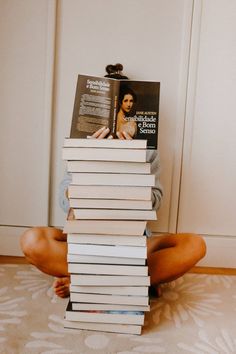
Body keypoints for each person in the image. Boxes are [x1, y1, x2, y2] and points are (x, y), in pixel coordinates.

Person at [20, 64, 206, 298]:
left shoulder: (149, 152)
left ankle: (87, 279)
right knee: (32, 240)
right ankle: (130, 279)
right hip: (85, 238)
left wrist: (131, 162)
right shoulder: (81, 147)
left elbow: (155, 202)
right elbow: (65, 200)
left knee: (195, 245)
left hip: (132, 241)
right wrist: (90, 156)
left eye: (128, 103)